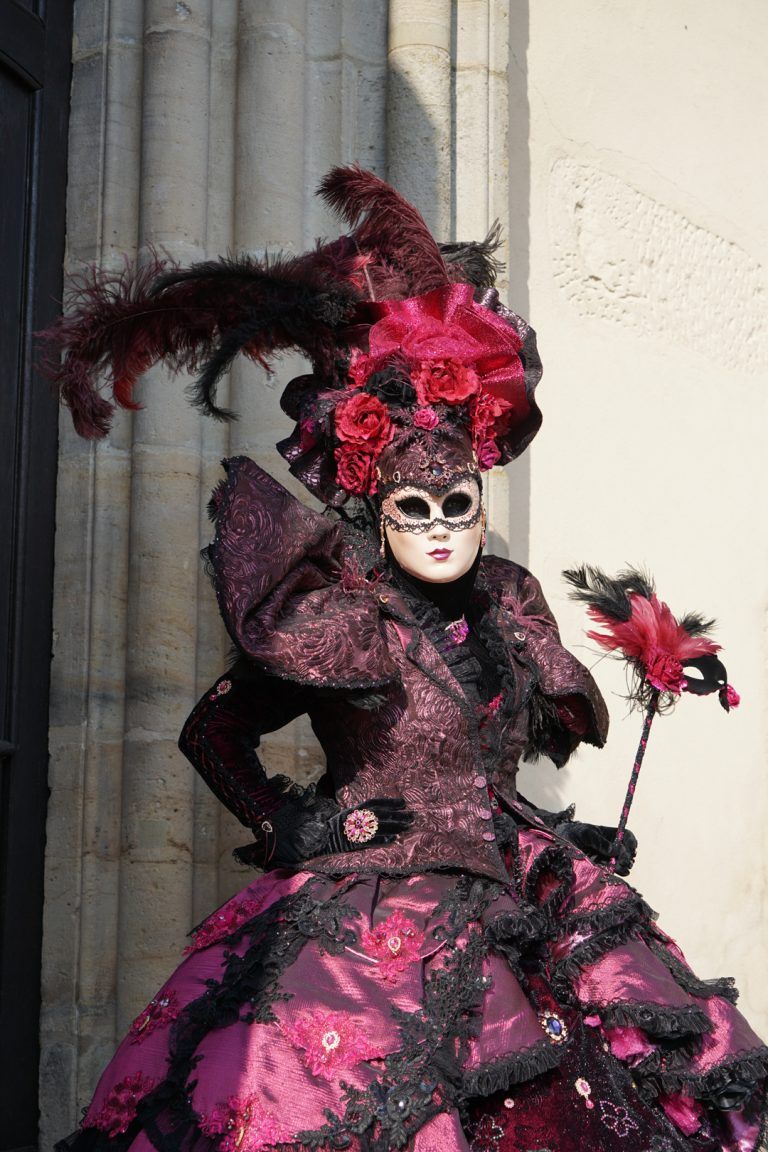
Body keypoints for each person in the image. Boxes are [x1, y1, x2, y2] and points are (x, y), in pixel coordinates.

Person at [47, 168, 767, 1152]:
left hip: (522, 895)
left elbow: (482, 764)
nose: (436, 528)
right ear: (378, 515)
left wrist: (577, 836)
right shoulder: (335, 613)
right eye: (412, 511)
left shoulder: (508, 610)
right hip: (368, 913)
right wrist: (297, 823)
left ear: (480, 505)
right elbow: (214, 731)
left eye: (456, 507)